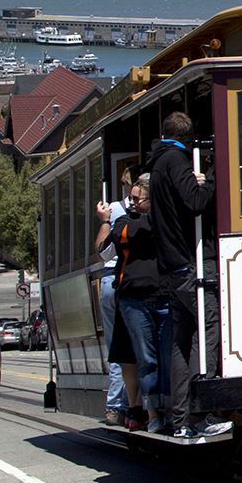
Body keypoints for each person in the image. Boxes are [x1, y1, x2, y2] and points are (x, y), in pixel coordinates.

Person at [148, 112, 231, 438]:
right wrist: (212, 175)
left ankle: (181, 418)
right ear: (188, 138)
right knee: (208, 329)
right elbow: (195, 202)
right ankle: (200, 414)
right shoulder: (175, 160)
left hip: (170, 267)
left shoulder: (157, 164)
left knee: (182, 342)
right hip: (188, 265)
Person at [107, 175, 173, 434]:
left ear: (151, 199)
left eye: (137, 198)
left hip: (165, 297)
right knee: (146, 360)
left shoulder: (163, 218)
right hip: (134, 301)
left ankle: (170, 411)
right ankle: (152, 413)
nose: (131, 203)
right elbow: (124, 235)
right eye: (131, 198)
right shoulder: (125, 220)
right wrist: (157, 219)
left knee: (167, 358)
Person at [92, 166, 134, 426]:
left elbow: (101, 250)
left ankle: (115, 407)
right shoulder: (139, 210)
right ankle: (131, 404)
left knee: (117, 346)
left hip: (111, 280)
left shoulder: (113, 209)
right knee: (134, 345)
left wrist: (104, 220)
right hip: (123, 280)